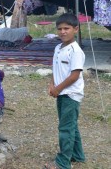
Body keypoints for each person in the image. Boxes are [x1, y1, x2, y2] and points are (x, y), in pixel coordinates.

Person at [44, 13, 86, 169]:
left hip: (71, 94)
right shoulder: (58, 47)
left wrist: (58, 89)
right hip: (60, 92)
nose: (62, 32)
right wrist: (52, 85)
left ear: (75, 29)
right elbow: (56, 68)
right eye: (60, 29)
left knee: (66, 128)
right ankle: (78, 155)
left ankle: (62, 163)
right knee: (70, 125)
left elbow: (75, 75)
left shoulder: (75, 51)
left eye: (66, 28)